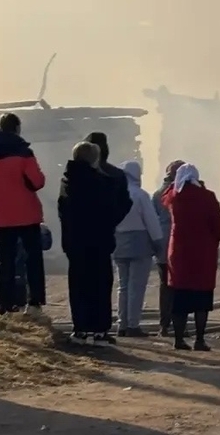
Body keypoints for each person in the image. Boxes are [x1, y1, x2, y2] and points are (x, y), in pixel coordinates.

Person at [58, 141, 133, 347]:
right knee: (100, 286)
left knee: (79, 286)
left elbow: (63, 214)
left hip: (74, 243)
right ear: (95, 159)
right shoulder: (104, 183)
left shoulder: (66, 182)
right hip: (100, 242)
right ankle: (99, 331)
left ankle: (80, 330)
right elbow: (119, 208)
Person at [0, 114, 46, 315]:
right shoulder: (24, 153)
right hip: (27, 214)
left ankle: (5, 304)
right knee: (33, 258)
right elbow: (37, 182)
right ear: (17, 128)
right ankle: (34, 302)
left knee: (4, 261)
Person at [162, 163, 220, 351]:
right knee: (201, 298)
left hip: (179, 254)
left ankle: (179, 339)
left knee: (179, 298)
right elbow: (219, 227)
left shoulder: (173, 197)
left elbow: (166, 194)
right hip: (203, 253)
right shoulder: (207, 197)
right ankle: (199, 339)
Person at [113, 160, 165, 337]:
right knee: (137, 286)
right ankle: (133, 325)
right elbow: (152, 222)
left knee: (123, 286)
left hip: (118, 243)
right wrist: (159, 244)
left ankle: (122, 324)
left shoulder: (114, 193)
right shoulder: (141, 195)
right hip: (140, 245)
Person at [152, 159, 183, 337]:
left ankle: (164, 324)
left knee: (165, 285)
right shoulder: (181, 192)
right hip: (178, 242)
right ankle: (178, 325)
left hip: (162, 243)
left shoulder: (157, 194)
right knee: (179, 285)